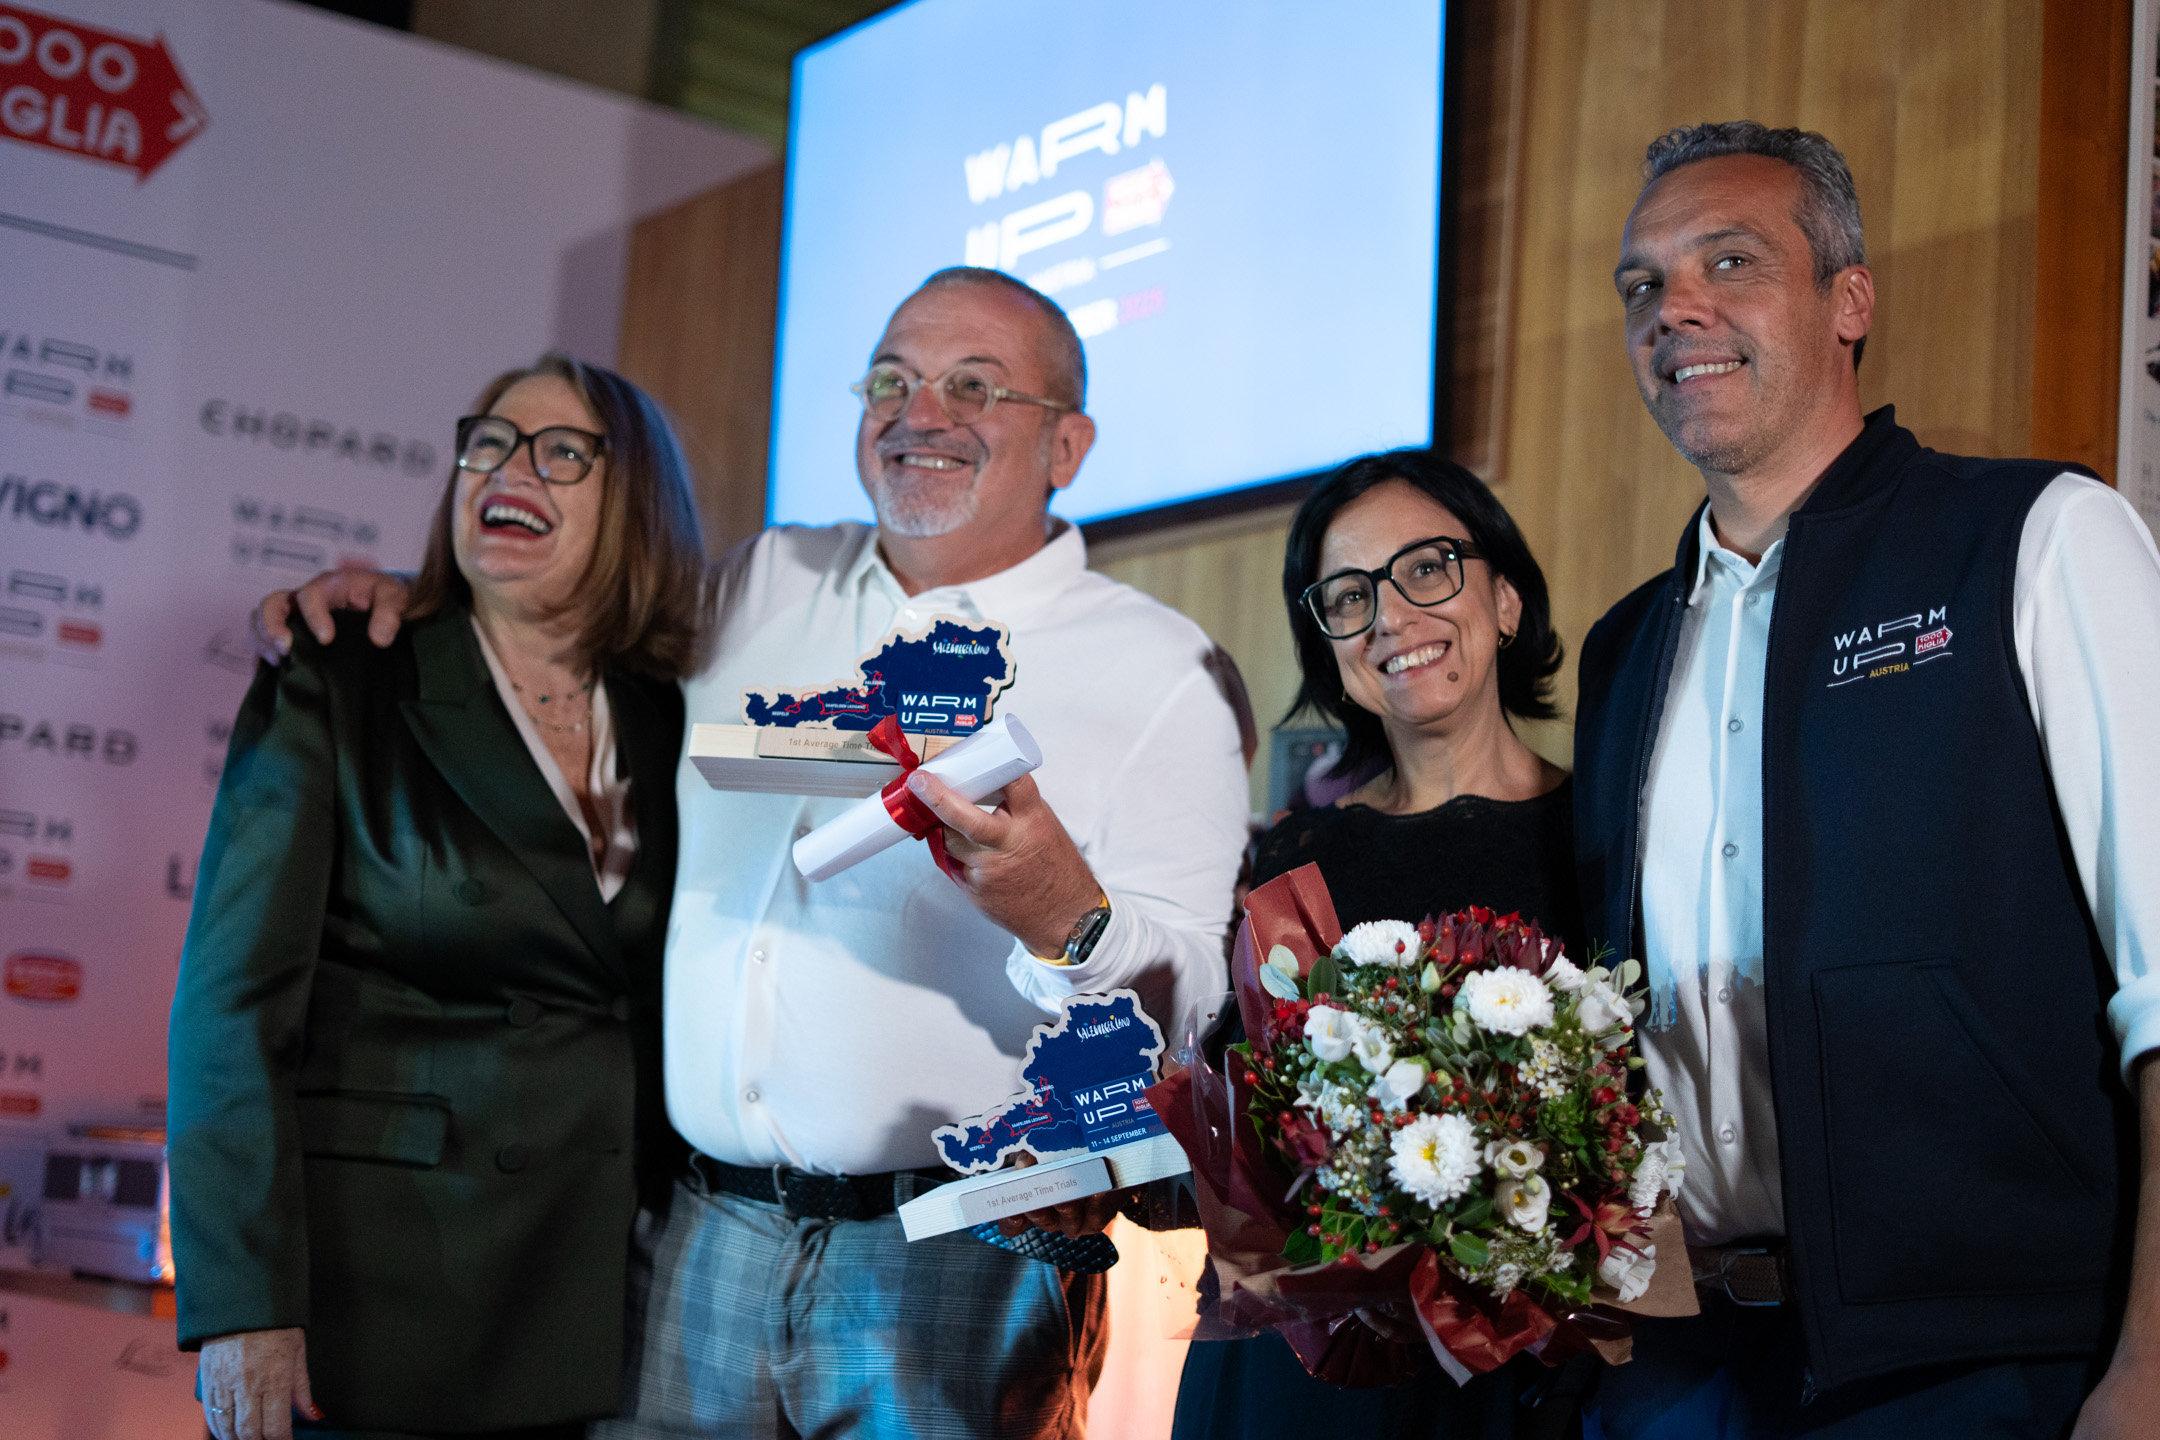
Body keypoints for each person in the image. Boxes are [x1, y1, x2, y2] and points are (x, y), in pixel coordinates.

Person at [255, 268, 1252, 1439]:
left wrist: (1065, 917)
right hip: (692, 1242)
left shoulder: (1162, 672)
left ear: (1067, 445)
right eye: (890, 381)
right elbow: (567, 620)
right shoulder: (758, 580)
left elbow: (1202, 1009)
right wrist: (412, 600)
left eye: (975, 387)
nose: (919, 414)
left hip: (957, 1260)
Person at [1575, 122, 2160, 1438]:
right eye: (1643, 285)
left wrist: (2152, 1371)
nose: (1676, 309)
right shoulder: (1625, 650)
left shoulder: (2038, 537)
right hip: (1687, 1370)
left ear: (1850, 300)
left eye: (1730, 261)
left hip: (1985, 1362)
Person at [169, 353, 705, 1440]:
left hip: (595, 1301)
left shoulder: (673, 713)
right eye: (490, 444)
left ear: (637, 505)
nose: (511, 470)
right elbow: (231, 1006)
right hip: (379, 1292)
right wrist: (244, 1303)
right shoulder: (340, 674)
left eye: (562, 453)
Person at [1173, 448, 1589, 1440]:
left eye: (1427, 569)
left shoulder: (1606, 837)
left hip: (1528, 1372)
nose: (1391, 617)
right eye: (1350, 596)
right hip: (1303, 1373)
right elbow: (1242, 1126)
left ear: (1507, 601)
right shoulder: (1296, 855)